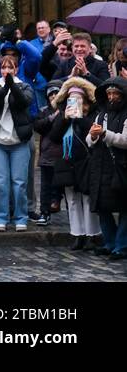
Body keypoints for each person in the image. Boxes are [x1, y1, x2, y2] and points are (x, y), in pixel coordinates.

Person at [36, 77, 97, 249]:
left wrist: (79, 118)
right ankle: (77, 234)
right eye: (71, 98)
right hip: (67, 161)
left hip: (85, 161)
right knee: (72, 200)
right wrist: (65, 119)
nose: (74, 101)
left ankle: (91, 235)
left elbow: (91, 133)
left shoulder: (91, 113)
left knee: (86, 198)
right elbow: (54, 136)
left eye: (77, 98)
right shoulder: (64, 114)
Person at [0, 53, 35, 231]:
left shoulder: (25, 86)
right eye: (3, 67)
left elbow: (24, 102)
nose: (6, 71)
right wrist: (4, 88)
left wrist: (12, 85)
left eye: (10, 67)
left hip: (19, 141)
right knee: (1, 183)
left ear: (16, 69)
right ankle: (1, 217)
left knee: (19, 183)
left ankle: (21, 217)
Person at [84, 77, 127, 257]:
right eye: (109, 93)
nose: (111, 97)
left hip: (121, 167)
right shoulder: (101, 114)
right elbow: (89, 139)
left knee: (125, 208)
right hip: (101, 166)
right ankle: (109, 242)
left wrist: (104, 134)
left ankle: (121, 246)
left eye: (115, 93)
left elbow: (125, 141)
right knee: (102, 206)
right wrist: (94, 137)